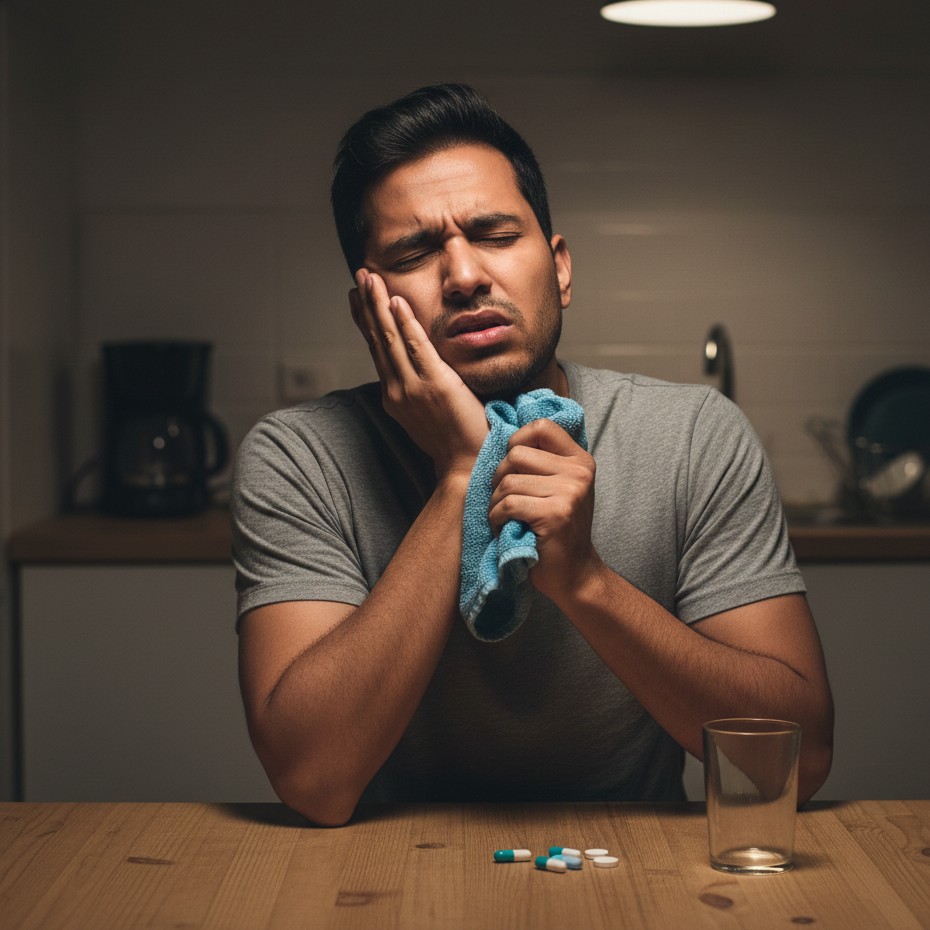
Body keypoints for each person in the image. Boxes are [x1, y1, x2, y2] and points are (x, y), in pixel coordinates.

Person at [232, 83, 834, 826]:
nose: (464, 275)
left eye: (493, 233)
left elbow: (798, 765)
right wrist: (463, 474)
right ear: (368, 308)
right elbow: (313, 779)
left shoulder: (692, 435)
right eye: (416, 251)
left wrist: (585, 581)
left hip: (638, 867)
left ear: (561, 270)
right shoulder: (300, 457)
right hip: (380, 874)